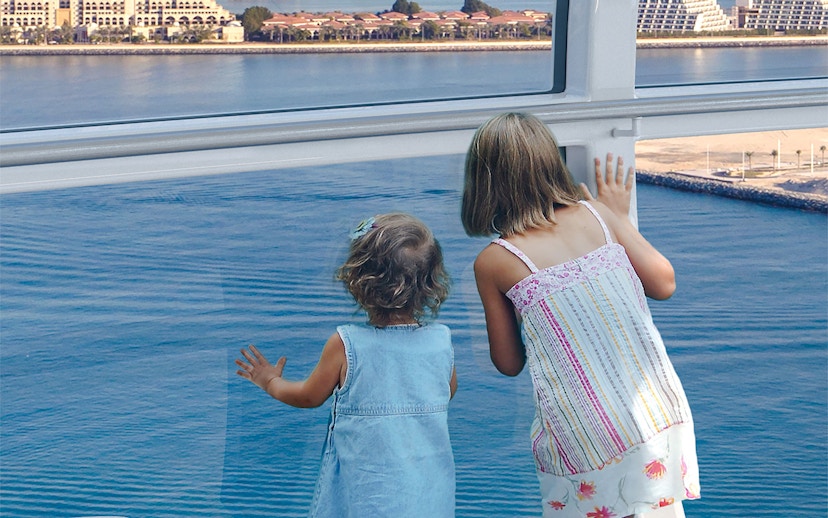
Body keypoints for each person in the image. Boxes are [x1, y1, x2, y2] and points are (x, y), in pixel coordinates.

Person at [461, 112, 700, 518]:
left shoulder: (495, 261)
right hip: (653, 413)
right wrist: (619, 216)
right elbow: (664, 283)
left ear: (483, 185)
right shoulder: (598, 215)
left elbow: (507, 363)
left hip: (584, 430)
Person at [235, 212, 458, 518]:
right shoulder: (440, 341)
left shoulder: (346, 344)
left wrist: (269, 381)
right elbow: (446, 391)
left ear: (360, 282)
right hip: (427, 495)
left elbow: (308, 396)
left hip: (369, 498)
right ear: (431, 282)